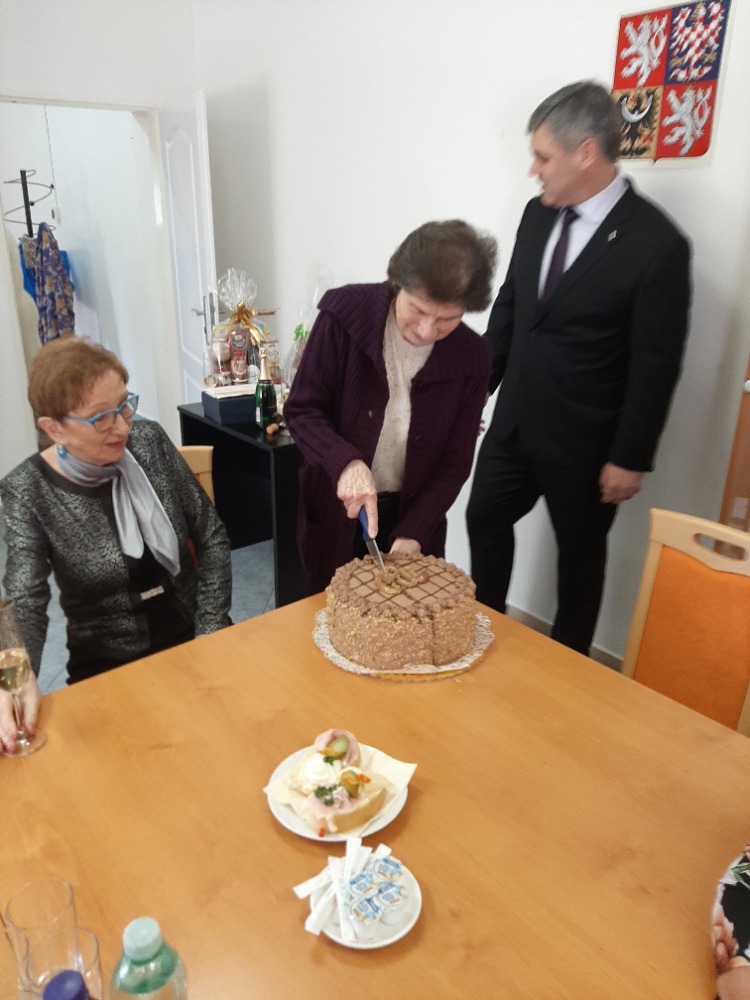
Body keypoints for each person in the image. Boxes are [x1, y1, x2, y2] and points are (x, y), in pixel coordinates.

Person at [466, 80, 691, 655]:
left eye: (542, 157)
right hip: (515, 424)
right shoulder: (536, 215)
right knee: (483, 519)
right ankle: (482, 631)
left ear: (586, 152)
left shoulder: (656, 243)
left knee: (580, 564)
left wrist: (630, 456)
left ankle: (569, 669)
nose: (533, 170)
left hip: (587, 445)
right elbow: (511, 310)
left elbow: (656, 363)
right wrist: (472, 395)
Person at [0, 338, 232, 752]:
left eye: (124, 406)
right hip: (108, 665)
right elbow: (24, 600)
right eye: (101, 419)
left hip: (197, 633)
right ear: (54, 429)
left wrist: (210, 633)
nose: (123, 427)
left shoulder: (149, 442)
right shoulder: (28, 491)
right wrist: (18, 679)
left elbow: (211, 537)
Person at [284, 219, 497, 593]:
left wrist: (415, 530)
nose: (426, 331)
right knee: (329, 614)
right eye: (418, 309)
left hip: (413, 518)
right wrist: (345, 463)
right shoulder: (344, 314)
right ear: (398, 281)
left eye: (446, 320)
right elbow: (302, 410)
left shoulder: (472, 356)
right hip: (336, 513)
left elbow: (455, 462)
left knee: (407, 622)